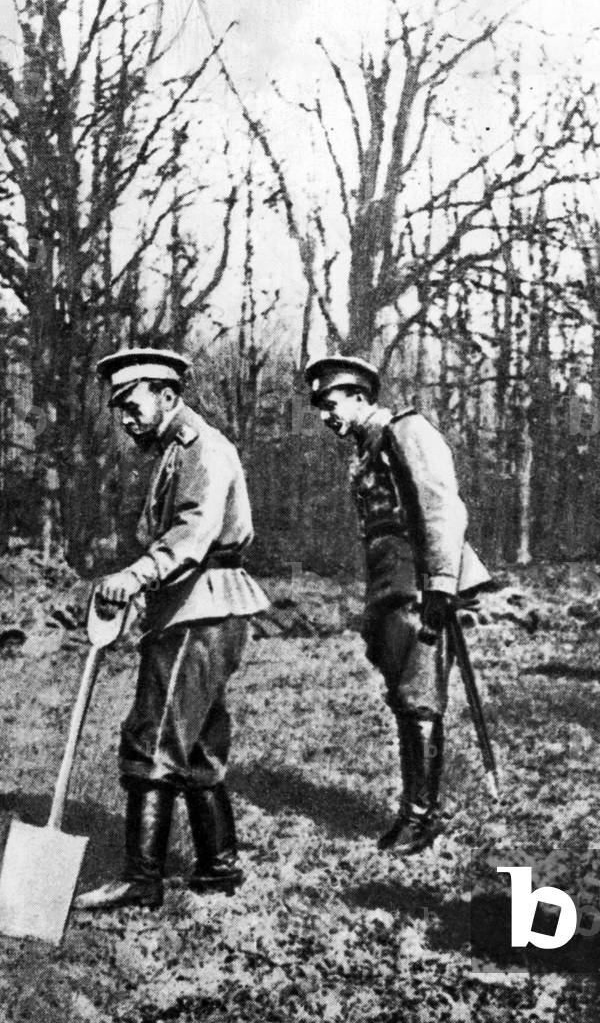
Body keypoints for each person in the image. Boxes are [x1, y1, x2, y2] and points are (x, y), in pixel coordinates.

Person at [74, 348, 269, 911]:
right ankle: (217, 867)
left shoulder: (201, 448)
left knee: (153, 736)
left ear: (166, 395)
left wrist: (136, 575)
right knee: (199, 740)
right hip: (195, 607)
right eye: (118, 410)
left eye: (132, 405)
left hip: (199, 607)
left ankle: (141, 880)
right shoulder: (174, 451)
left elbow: (192, 532)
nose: (125, 418)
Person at [305, 354, 490, 855]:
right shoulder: (366, 448)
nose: (325, 416)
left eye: (331, 403)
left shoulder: (404, 431)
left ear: (360, 397)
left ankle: (420, 817)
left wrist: (441, 584)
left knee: (419, 696)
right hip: (388, 586)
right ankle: (415, 809)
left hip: (417, 585)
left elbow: (440, 505)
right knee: (405, 698)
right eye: (320, 406)